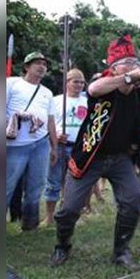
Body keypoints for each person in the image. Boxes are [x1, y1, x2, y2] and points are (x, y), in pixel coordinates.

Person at [49, 34, 140, 271]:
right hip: (90, 155)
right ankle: (62, 245)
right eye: (129, 62)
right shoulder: (104, 82)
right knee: (69, 209)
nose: (135, 66)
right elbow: (94, 89)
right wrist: (128, 77)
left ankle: (121, 251)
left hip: (120, 158)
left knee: (133, 200)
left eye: (136, 62)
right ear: (115, 67)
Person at [6, 52, 58, 231]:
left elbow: (50, 120)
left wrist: (54, 147)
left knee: (36, 186)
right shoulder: (11, 83)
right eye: (37, 63)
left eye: (44, 64)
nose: (42, 66)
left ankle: (30, 225)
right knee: (7, 185)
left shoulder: (47, 92)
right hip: (15, 145)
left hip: (41, 144)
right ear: (27, 66)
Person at [42, 68, 89, 226]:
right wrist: (55, 136)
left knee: (76, 184)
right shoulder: (56, 101)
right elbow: (48, 124)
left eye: (82, 82)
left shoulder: (87, 102)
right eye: (76, 81)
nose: (79, 85)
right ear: (67, 82)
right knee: (53, 181)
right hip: (60, 146)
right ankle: (49, 216)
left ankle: (72, 215)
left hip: (80, 147)